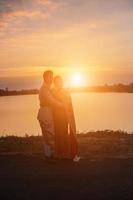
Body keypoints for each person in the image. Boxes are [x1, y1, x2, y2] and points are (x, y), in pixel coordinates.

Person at [53, 76, 80, 162]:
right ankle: (58, 154)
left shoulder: (65, 92)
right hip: (56, 116)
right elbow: (51, 104)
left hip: (64, 116)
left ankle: (65, 153)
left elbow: (69, 104)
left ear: (62, 82)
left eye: (60, 81)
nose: (59, 83)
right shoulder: (53, 92)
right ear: (55, 83)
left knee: (64, 134)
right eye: (57, 82)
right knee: (57, 135)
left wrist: (70, 115)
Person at [37, 71, 62, 159]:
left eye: (52, 77)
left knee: (47, 136)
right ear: (44, 77)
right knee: (50, 135)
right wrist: (62, 105)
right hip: (45, 112)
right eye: (49, 77)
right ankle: (51, 156)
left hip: (45, 112)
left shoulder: (48, 88)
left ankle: (48, 156)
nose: (51, 79)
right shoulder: (44, 88)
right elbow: (52, 101)